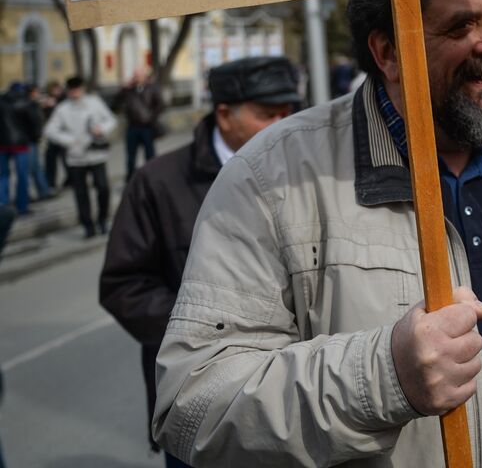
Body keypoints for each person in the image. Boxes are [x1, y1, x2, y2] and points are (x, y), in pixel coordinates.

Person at [153, 0, 482, 467]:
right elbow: (192, 403)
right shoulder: (272, 179)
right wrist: (384, 378)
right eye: (462, 26)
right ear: (388, 54)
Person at [100, 56, 300, 468]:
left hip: (297, 400)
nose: (283, 123)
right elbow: (124, 285)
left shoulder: (305, 173)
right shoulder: (158, 182)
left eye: (288, 111)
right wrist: (201, 331)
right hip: (205, 405)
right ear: (224, 114)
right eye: (268, 114)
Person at [43, 76, 118, 237]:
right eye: (72, 91)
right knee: (80, 193)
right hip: (76, 157)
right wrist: (70, 140)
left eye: (78, 90)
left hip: (96, 154)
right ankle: (88, 226)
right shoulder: (62, 109)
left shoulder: (94, 102)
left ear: (82, 89)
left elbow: (111, 120)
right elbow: (50, 130)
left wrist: (102, 129)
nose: (75, 93)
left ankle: (103, 220)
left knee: (103, 188)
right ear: (68, 91)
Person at [120, 66, 165, 176]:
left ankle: (152, 177)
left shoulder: (152, 87)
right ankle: (130, 179)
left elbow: (161, 104)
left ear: (145, 76)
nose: (136, 77)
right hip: (132, 126)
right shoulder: (128, 90)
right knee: (131, 156)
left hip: (147, 127)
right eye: (135, 75)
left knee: (150, 155)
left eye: (139, 75)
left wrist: (151, 117)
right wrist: (124, 87)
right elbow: (116, 102)